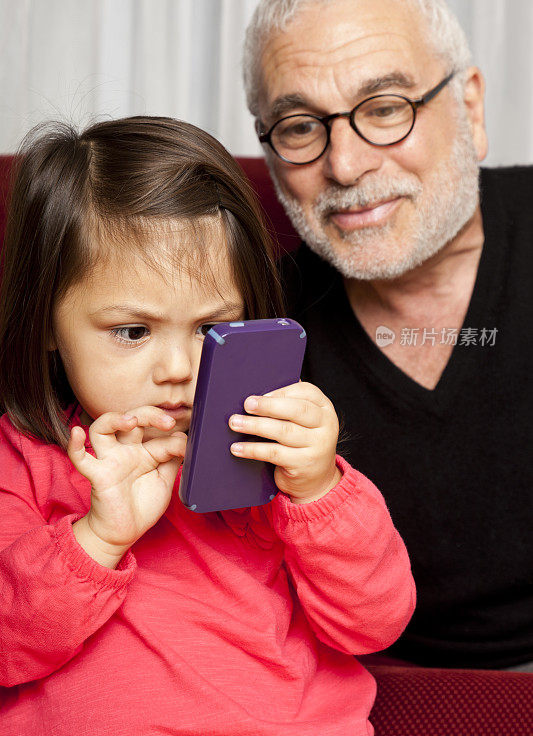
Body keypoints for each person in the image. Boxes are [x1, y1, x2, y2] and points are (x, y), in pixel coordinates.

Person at [0, 116, 414, 734]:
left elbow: (373, 624)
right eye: (132, 332)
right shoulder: (24, 457)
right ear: (48, 325)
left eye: (208, 329)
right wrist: (97, 539)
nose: (178, 369)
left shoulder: (268, 446)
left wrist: (319, 490)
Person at [243, 0, 533, 671]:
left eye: (383, 109)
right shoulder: (254, 327)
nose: (344, 165)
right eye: (301, 126)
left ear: (467, 107)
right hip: (360, 687)